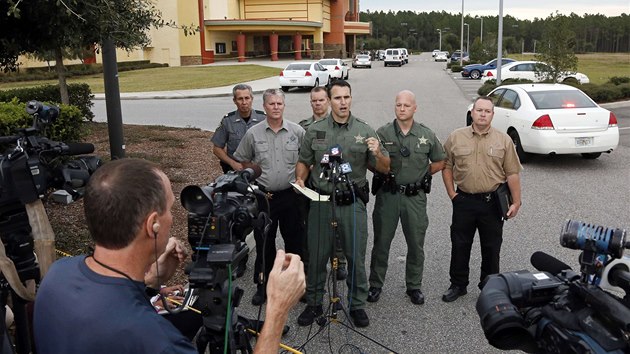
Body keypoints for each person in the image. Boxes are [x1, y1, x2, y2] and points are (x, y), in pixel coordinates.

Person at [33, 158, 305, 353]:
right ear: (153, 224)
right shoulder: (157, 341)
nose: (173, 217)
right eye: (170, 209)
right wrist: (278, 310)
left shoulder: (58, 273)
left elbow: (105, 303)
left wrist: (150, 280)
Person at [295, 80, 390, 328]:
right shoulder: (314, 130)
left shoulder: (365, 130)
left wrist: (379, 153)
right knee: (316, 256)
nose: (343, 102)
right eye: (337, 98)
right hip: (321, 201)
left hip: (352, 203)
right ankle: (314, 302)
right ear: (329, 101)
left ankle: (356, 304)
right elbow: (304, 160)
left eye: (346, 97)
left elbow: (384, 169)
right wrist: (300, 178)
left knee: (356, 255)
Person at [367, 90, 446, 305]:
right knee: (382, 242)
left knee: (415, 243)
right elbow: (370, 161)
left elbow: (440, 160)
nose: (402, 109)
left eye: (406, 105)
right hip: (388, 196)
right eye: (398, 105)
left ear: (414, 108)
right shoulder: (382, 133)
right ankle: (375, 284)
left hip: (414, 197)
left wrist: (422, 176)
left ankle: (414, 286)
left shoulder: (426, 134)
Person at [441, 96, 523, 303]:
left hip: (492, 203)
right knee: (460, 244)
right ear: (472, 113)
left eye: (487, 111)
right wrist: (452, 194)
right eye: (479, 110)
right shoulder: (456, 137)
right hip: (464, 201)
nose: (483, 114)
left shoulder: (503, 140)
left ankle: (489, 286)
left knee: (491, 246)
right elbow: (447, 165)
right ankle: (458, 284)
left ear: (493, 115)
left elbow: (512, 173)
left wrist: (516, 201)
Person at [234, 88, 305, 306]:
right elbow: (242, 160)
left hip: (291, 196)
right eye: (271, 104)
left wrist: (300, 179)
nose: (276, 107)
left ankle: (295, 285)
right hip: (265, 197)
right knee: (265, 243)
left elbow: (305, 160)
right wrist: (256, 177)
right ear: (264, 107)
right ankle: (263, 286)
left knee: (295, 241)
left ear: (284, 105)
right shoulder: (253, 134)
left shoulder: (297, 132)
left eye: (279, 104)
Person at [298, 87, 347, 281]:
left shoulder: (338, 124)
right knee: (314, 227)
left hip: (333, 183)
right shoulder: (303, 127)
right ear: (311, 103)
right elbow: (301, 156)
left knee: (337, 226)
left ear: (327, 101)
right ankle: (313, 264)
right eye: (314, 101)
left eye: (321, 100)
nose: (318, 104)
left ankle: (339, 262)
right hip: (311, 186)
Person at [211, 84, 266, 174]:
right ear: (234, 101)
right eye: (240, 99)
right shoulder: (227, 121)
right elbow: (217, 149)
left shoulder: (263, 119)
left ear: (252, 99)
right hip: (235, 169)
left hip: (259, 170)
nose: (244, 102)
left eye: (247, 98)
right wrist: (232, 163)